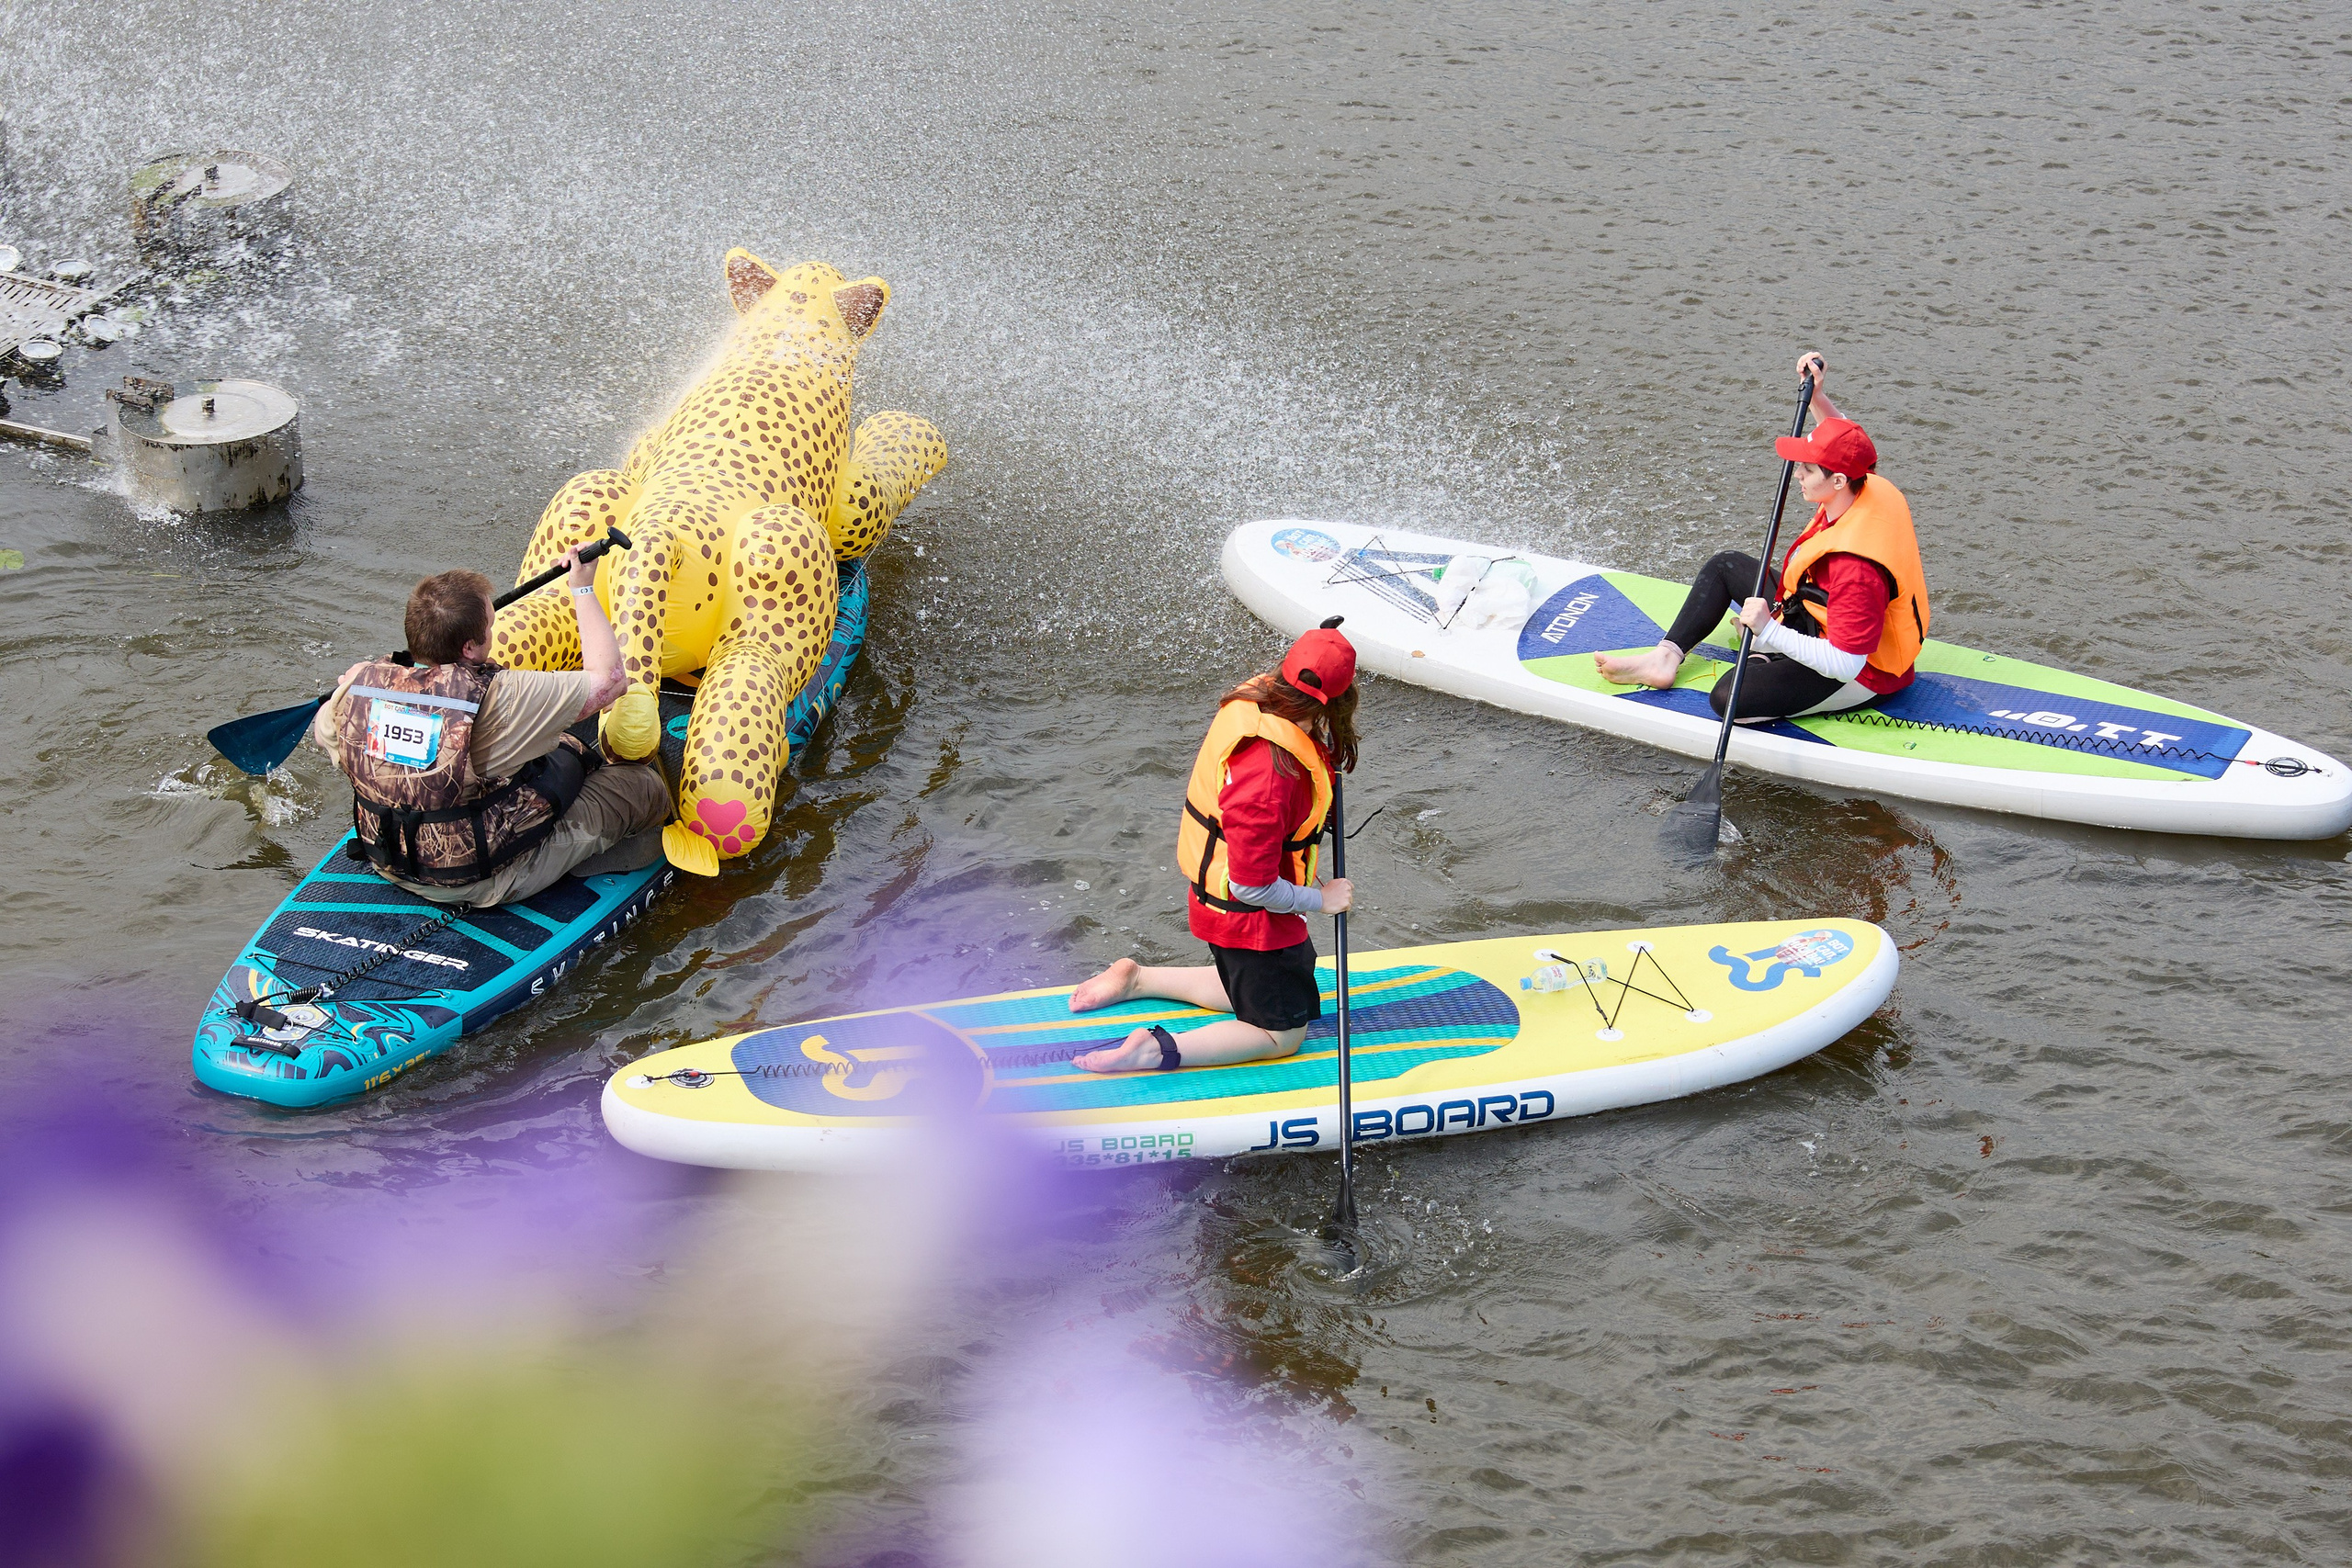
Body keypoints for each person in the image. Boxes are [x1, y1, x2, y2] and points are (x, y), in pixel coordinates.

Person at [1068, 626, 1360, 1073]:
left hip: (1223, 911)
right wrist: (1321, 900)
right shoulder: (1269, 778)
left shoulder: (1260, 699)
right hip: (1251, 919)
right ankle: (1154, 1050)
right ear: (1339, 700)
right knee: (1283, 1032)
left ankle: (1137, 978)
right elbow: (1251, 886)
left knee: (1258, 985)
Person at [309, 548, 671, 907]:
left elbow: (322, 731)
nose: (493, 632)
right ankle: (585, 863)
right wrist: (582, 588)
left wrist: (348, 687)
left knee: (551, 750)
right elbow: (610, 682)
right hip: (482, 881)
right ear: (469, 647)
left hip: (388, 859)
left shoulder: (361, 689)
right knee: (641, 787)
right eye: (490, 627)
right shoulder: (501, 696)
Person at [1596, 351, 1931, 722]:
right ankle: (1665, 657)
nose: (1797, 474)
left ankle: (1761, 651)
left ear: (1837, 480)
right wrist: (1817, 394)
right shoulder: (1863, 483)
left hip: (1863, 671)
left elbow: (1845, 662)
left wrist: (1769, 631)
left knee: (1728, 700)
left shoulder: (1856, 569)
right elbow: (1846, 437)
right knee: (1724, 566)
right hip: (1819, 620)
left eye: (1806, 468)